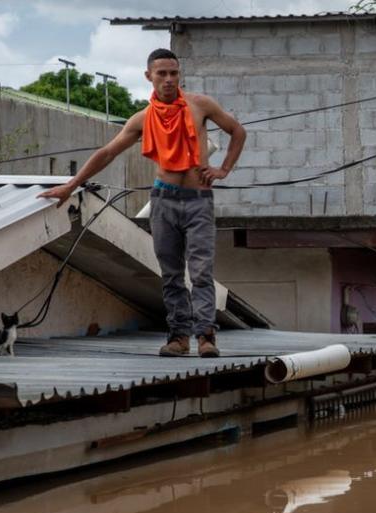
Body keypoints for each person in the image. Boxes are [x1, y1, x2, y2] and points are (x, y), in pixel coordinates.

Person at [39, 48, 247, 358]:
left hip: (198, 200)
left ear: (180, 75)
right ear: (149, 76)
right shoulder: (143, 118)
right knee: (171, 273)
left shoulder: (199, 105)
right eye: (161, 73)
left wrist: (223, 169)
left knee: (201, 271)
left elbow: (237, 131)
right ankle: (178, 338)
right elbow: (107, 153)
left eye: (173, 73)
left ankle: (206, 337)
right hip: (163, 200)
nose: (168, 79)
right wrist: (71, 185)